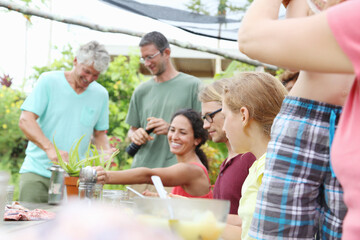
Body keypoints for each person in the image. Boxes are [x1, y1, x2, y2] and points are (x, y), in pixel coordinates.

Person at [238, 0, 360, 239]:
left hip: (351, 124)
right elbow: (289, 60)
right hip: (305, 119)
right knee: (278, 230)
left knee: (343, 228)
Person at [18, 41, 112, 203]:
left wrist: (104, 156)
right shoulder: (48, 81)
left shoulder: (101, 94)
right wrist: (50, 148)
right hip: (38, 173)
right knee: (28, 225)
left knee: (70, 227)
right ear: (76, 61)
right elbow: (26, 120)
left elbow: (99, 134)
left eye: (95, 75)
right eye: (86, 71)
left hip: (76, 179)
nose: (89, 78)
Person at [125, 31, 202, 194]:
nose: (146, 63)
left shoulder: (193, 86)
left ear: (166, 53)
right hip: (140, 174)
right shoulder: (141, 91)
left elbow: (203, 133)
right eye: (143, 58)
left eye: (150, 57)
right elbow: (131, 130)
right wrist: (135, 134)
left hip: (172, 176)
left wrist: (171, 129)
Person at [220, 72, 287, 240]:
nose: (223, 128)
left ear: (244, 115)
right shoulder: (260, 165)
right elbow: (247, 229)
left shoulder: (269, 170)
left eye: (225, 116)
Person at [96, 108, 213, 199]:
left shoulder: (192, 170)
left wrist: (107, 176)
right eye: (172, 130)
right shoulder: (191, 167)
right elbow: (186, 204)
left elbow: (147, 175)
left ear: (197, 139)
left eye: (182, 133)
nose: (174, 137)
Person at [198, 79, 256, 214]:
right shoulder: (230, 161)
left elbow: (251, 222)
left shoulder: (251, 158)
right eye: (204, 118)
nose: (205, 125)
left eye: (209, 116)